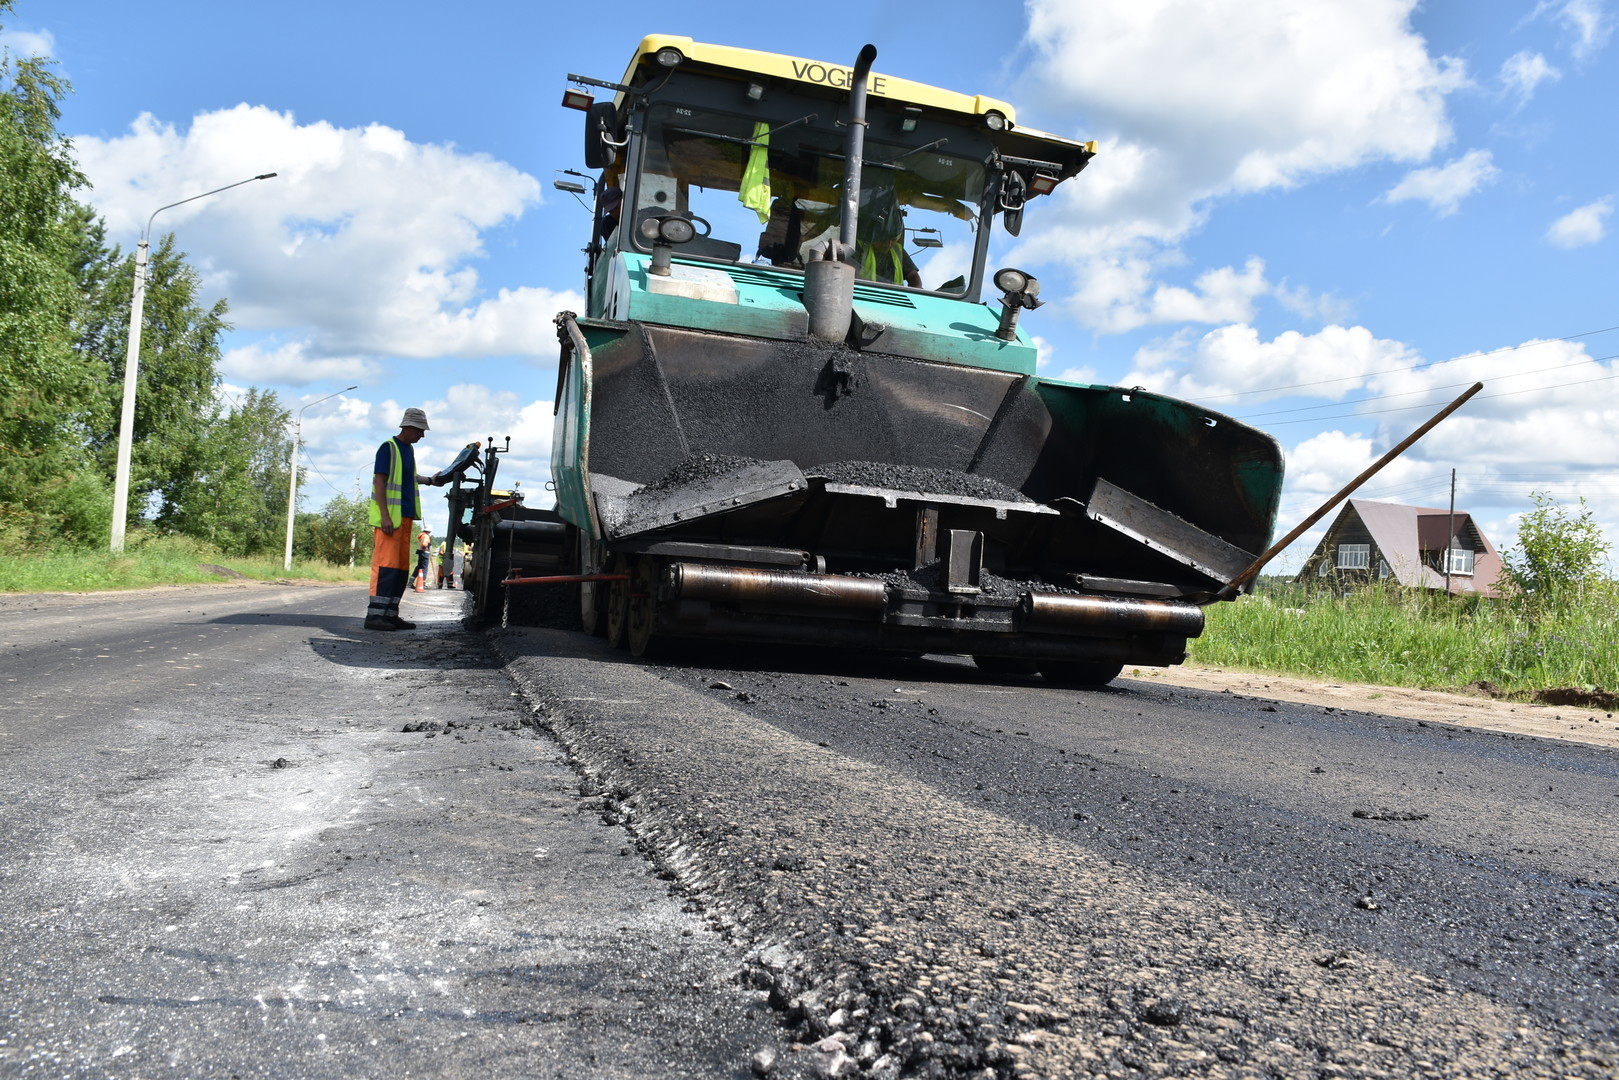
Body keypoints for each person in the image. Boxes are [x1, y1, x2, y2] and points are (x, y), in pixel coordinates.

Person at [365, 408, 447, 631]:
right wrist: (384, 515)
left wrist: (430, 480)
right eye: (420, 431)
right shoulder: (388, 448)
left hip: (404, 519)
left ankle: (390, 614)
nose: (422, 436)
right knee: (386, 566)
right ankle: (375, 617)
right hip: (390, 520)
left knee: (400, 569)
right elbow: (380, 482)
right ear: (409, 427)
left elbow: (410, 478)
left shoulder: (408, 450)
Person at [413, 528, 432, 592]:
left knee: (419, 567)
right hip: (424, 553)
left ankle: (411, 581)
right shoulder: (426, 536)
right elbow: (424, 544)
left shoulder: (422, 535)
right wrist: (426, 548)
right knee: (424, 568)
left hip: (420, 552)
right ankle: (422, 583)